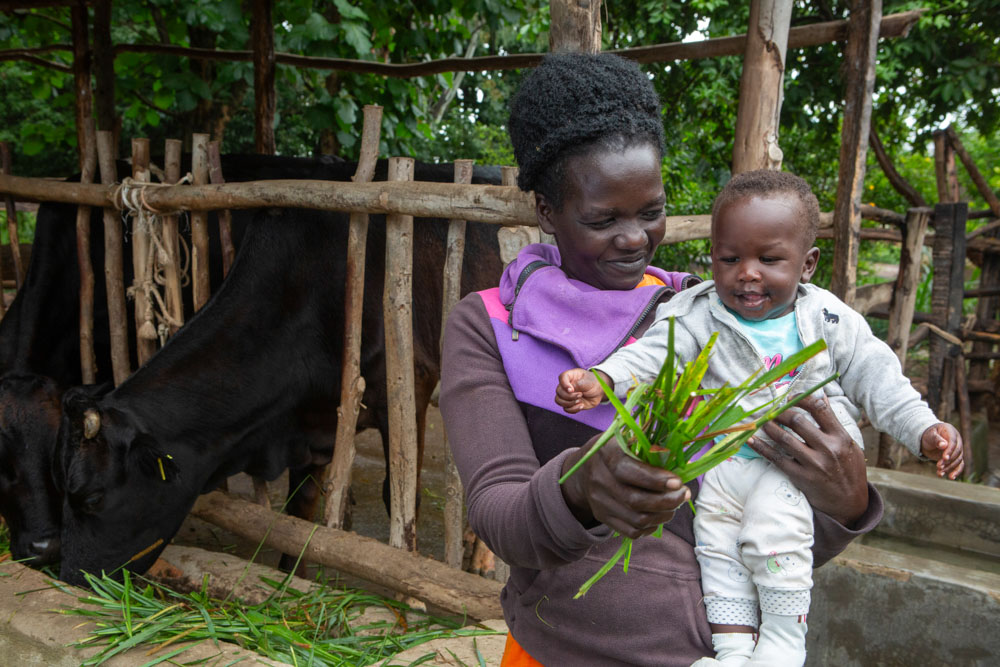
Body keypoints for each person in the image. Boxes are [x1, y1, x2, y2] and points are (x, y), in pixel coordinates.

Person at [440, 52, 883, 667]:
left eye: (651, 212)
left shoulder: (710, 317)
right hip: (555, 648)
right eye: (603, 219)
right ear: (546, 210)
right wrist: (579, 489)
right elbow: (498, 511)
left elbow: (771, 531)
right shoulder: (490, 326)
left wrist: (847, 502)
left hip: (714, 651)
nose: (634, 238)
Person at [556, 169, 964, 666]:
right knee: (718, 550)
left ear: (807, 263)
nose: (747, 273)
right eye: (730, 259)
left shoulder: (830, 322)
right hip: (723, 464)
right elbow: (648, 357)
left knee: (774, 539)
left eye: (769, 259)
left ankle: (783, 647)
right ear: (713, 258)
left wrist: (925, 430)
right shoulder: (696, 313)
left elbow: (882, 384)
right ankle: (732, 652)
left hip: (790, 460)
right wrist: (602, 380)